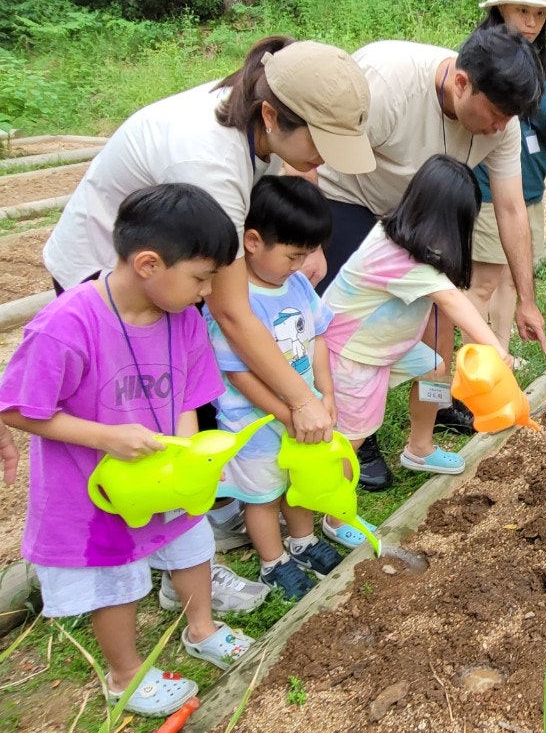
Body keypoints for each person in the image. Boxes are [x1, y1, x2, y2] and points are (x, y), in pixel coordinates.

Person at [42, 37, 374, 454]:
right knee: (131, 406)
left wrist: (311, 248)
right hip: (109, 268)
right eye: (321, 143)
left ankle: (199, 492)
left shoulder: (257, 107)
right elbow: (231, 312)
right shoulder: (208, 165)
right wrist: (303, 400)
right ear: (272, 115)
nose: (326, 158)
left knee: (180, 385)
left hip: (174, 266)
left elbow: (296, 174)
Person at [0, 184, 256, 716]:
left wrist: (187, 453)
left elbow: (188, 394)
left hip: (163, 476)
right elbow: (17, 408)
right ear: (148, 264)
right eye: (201, 277)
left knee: (191, 545)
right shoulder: (65, 326)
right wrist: (106, 437)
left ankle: (201, 629)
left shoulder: (182, 319)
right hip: (92, 489)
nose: (208, 291)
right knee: (113, 578)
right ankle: (124, 674)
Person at [316, 26, 544, 482]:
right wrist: (493, 345)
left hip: (422, 219)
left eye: (509, 119)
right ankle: (356, 440)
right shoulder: (386, 84)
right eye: (496, 114)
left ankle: (420, 444)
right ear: (461, 83)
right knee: (357, 343)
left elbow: (511, 206)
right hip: (351, 198)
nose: (501, 128)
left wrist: (526, 297)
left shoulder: (503, 120)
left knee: (437, 345)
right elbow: (310, 154)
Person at [204, 177, 358, 599]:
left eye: (306, 254)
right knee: (262, 495)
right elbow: (238, 373)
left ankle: (303, 541)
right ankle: (274, 561)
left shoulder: (297, 285)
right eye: (293, 255)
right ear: (252, 241)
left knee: (298, 481)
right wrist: (288, 413)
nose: (301, 264)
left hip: (302, 411)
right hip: (253, 421)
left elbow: (318, 336)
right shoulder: (233, 302)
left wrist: (324, 392)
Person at [322, 155, 511, 479]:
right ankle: (334, 510)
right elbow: (452, 300)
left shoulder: (410, 237)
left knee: (434, 368)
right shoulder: (399, 257)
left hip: (389, 345)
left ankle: (419, 448)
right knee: (353, 435)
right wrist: (496, 346)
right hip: (353, 355)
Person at [468, 0, 546, 349]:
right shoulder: (481, 59)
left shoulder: (540, 60)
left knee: (512, 274)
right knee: (485, 280)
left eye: (540, 13)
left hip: (528, 182)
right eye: (523, 10)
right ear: (500, 9)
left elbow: (540, 116)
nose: (532, 22)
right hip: (490, 188)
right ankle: (475, 361)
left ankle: (502, 349)